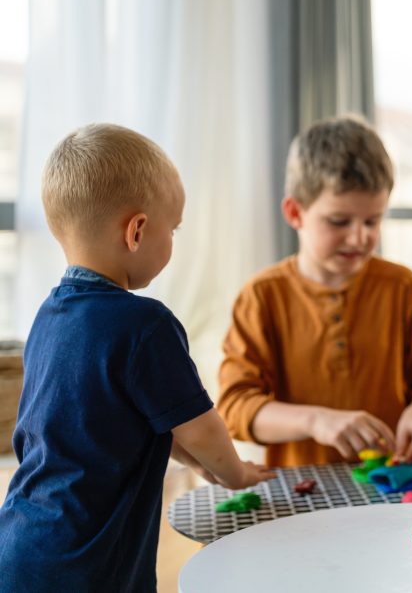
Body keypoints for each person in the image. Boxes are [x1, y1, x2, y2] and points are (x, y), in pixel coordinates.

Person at [0, 124, 274, 591]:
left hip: (21, 543)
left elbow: (139, 418)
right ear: (138, 230)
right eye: (174, 229)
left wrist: (197, 462)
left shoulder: (47, 317)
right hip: (89, 563)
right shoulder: (145, 325)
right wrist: (234, 472)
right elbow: (201, 425)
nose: (172, 241)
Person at [217, 115, 412, 467]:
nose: (359, 237)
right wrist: (316, 421)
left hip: (397, 490)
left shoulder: (403, 289)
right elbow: (236, 406)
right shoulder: (263, 297)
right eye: (339, 221)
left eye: (372, 221)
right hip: (302, 495)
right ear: (295, 212)